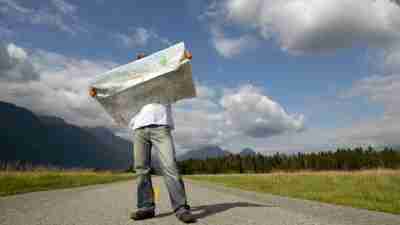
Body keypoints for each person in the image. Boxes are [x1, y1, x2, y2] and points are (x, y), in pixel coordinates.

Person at [129, 52, 196, 223]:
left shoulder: (164, 79)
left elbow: (178, 73)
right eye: (140, 62)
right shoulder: (133, 84)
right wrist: (98, 92)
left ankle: (181, 208)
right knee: (141, 170)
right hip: (139, 129)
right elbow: (114, 92)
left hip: (161, 126)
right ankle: (146, 207)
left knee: (170, 167)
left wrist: (183, 59)